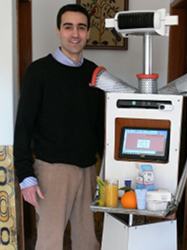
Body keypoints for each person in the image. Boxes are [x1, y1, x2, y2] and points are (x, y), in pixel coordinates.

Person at [14, 4, 104, 250]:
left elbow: (100, 127)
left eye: (81, 27)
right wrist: (26, 176)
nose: (75, 33)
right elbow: (23, 126)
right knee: (50, 242)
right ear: (58, 31)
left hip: (88, 170)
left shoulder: (94, 74)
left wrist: (106, 169)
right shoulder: (39, 72)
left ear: (88, 32)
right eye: (68, 27)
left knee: (88, 241)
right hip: (51, 172)